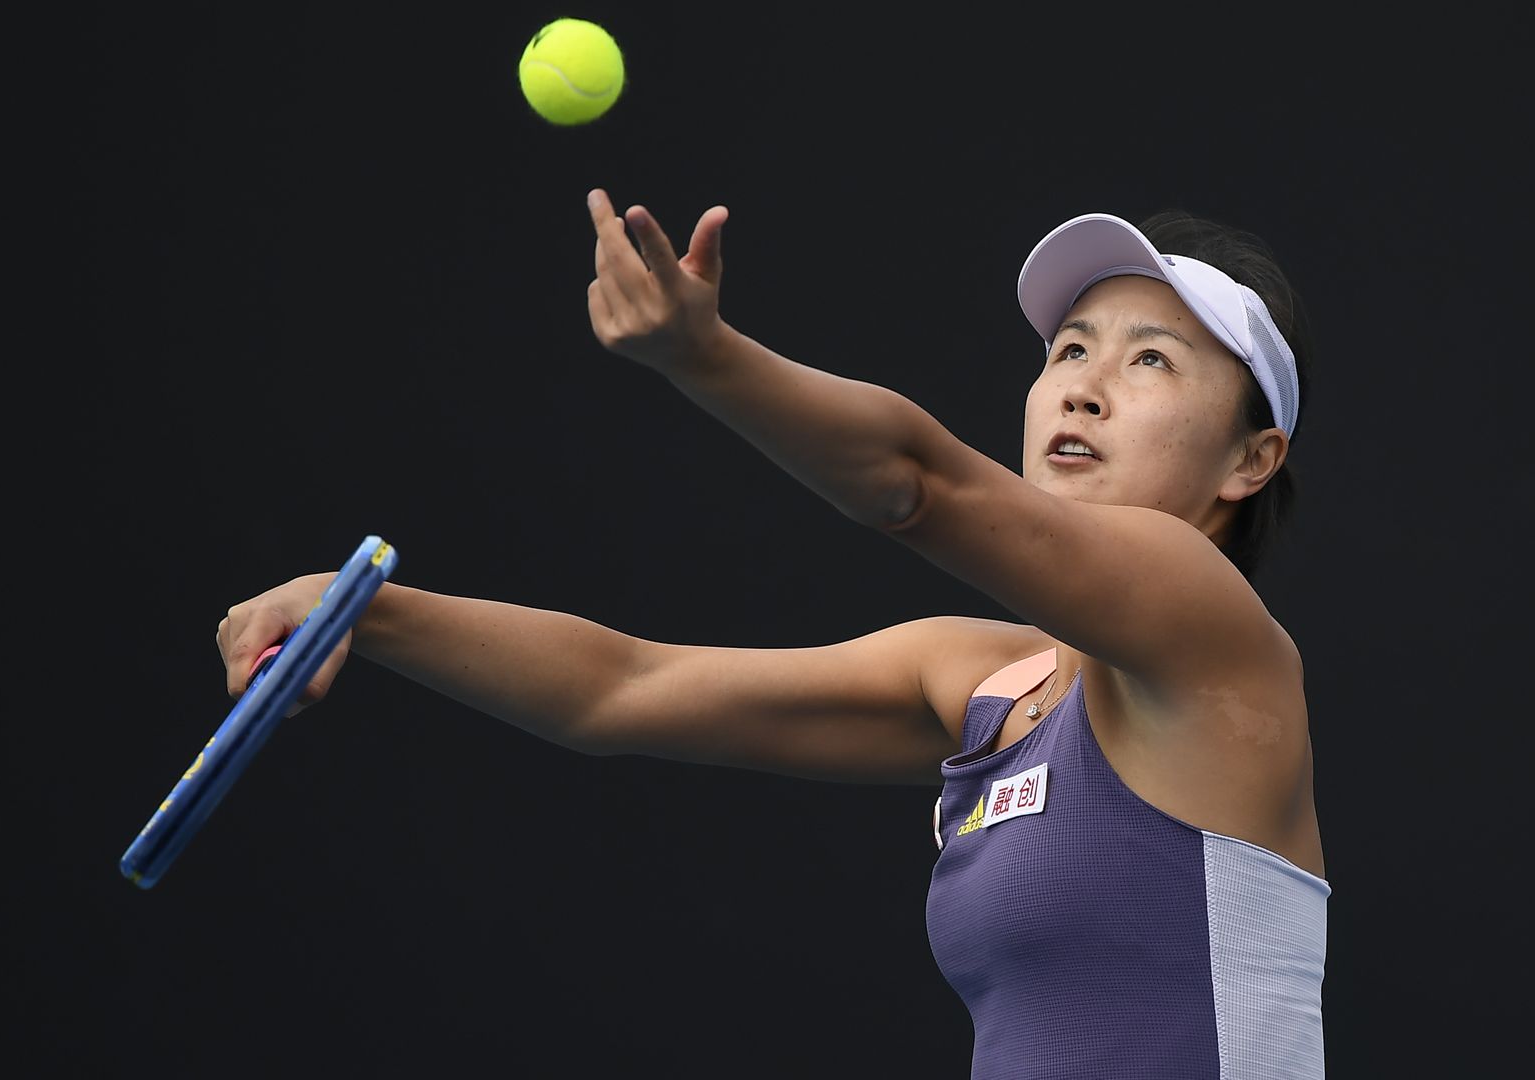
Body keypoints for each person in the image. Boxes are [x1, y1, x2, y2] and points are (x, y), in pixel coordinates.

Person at [216, 189, 1328, 1079]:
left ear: (1251, 460)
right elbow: (617, 688)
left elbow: (916, 483)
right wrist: (359, 606)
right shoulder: (984, 682)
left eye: (1150, 361)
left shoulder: (1212, 635)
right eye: (1070, 350)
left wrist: (705, 357)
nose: (1083, 389)